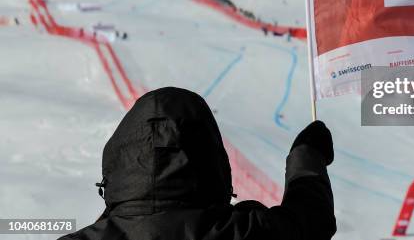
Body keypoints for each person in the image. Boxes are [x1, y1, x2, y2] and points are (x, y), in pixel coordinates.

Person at [59, 87, 336, 240]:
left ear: (120, 162)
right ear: (213, 163)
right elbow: (310, 222)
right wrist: (307, 155)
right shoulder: (246, 232)